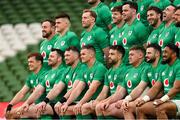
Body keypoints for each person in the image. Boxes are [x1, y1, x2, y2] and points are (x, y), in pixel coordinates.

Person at [95, 45, 148, 119]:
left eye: (132, 55)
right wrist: (108, 102)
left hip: (140, 100)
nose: (129, 57)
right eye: (129, 55)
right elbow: (121, 92)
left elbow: (141, 88)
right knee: (103, 108)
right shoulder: (129, 70)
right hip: (128, 100)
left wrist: (125, 100)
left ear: (140, 55)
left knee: (121, 108)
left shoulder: (146, 68)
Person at [35, 46, 85, 119]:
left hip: (82, 101)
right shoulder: (67, 70)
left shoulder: (82, 68)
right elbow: (58, 88)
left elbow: (74, 88)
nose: (65, 58)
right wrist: (45, 101)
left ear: (77, 56)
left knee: (61, 108)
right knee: (42, 108)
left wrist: (61, 101)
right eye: (65, 56)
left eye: (68, 55)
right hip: (71, 101)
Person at [58, 45, 107, 119]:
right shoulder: (84, 68)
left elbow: (92, 89)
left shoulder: (99, 67)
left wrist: (80, 103)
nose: (81, 56)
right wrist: (67, 103)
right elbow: (78, 89)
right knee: (65, 109)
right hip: (89, 101)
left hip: (100, 100)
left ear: (91, 55)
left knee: (82, 108)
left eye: (83, 54)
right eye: (80, 54)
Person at [15, 48, 66, 119]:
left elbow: (56, 89)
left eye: (52, 56)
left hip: (58, 103)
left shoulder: (62, 71)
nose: (48, 58)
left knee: (21, 111)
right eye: (48, 56)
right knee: (22, 110)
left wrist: (44, 101)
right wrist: (26, 103)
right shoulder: (48, 73)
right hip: (49, 104)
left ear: (59, 59)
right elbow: (38, 90)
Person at [81, 45, 127, 119]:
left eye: (112, 54)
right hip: (111, 100)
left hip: (120, 101)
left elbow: (118, 93)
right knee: (84, 107)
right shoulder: (109, 72)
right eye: (109, 54)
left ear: (120, 56)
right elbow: (104, 92)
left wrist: (103, 102)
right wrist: (97, 101)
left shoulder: (124, 69)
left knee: (100, 107)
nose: (108, 56)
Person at [121, 44, 166, 119]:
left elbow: (162, 90)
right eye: (146, 53)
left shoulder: (164, 67)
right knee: (127, 107)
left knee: (139, 107)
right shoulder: (148, 68)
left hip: (164, 98)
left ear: (157, 54)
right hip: (153, 97)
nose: (146, 56)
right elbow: (140, 87)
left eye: (149, 53)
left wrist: (144, 99)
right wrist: (127, 99)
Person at [136, 44, 180, 119]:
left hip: (178, 100)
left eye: (166, 52)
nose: (163, 55)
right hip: (169, 101)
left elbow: (177, 88)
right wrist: (144, 99)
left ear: (174, 54)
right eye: (163, 52)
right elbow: (156, 88)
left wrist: (162, 99)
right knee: (140, 108)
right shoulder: (165, 68)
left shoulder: (178, 66)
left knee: (160, 108)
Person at [5, 53, 47, 119]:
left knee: (15, 113)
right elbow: (22, 93)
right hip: (35, 105)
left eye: (31, 62)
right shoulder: (31, 76)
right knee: (7, 112)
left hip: (45, 105)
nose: (29, 64)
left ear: (39, 62)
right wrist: (10, 105)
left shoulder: (45, 74)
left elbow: (39, 92)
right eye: (28, 62)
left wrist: (25, 104)